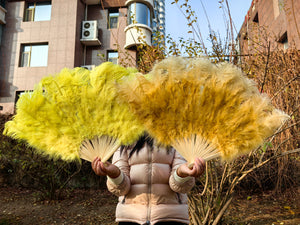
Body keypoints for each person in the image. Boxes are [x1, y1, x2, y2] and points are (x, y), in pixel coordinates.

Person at [92, 134, 206, 225]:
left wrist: (182, 174)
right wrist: (114, 174)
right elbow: (122, 189)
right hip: (131, 218)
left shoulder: (178, 136)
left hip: (171, 218)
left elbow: (180, 187)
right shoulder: (125, 139)